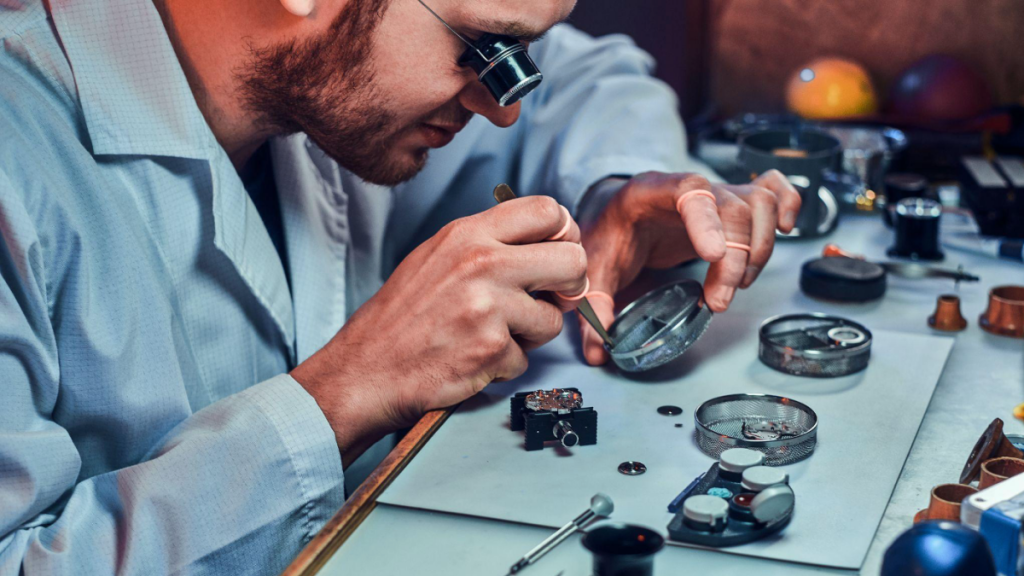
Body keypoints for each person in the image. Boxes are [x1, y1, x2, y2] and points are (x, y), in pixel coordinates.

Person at [0, 0, 800, 573]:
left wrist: (615, 189)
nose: (504, 113)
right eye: (486, 51)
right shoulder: (19, 160)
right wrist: (350, 391)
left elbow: (595, 77)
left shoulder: (326, 81)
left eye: (518, 61)